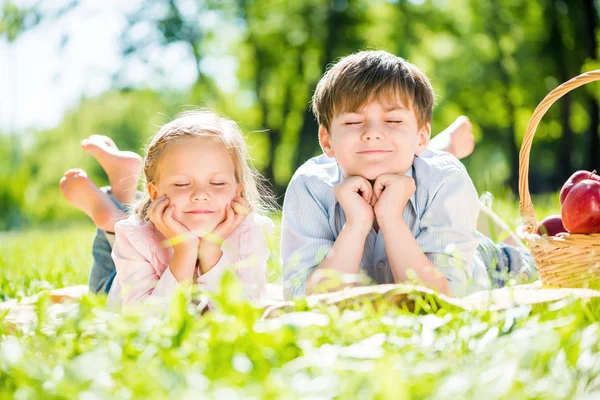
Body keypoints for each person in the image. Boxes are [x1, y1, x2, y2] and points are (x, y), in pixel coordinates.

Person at [280, 50, 533, 300]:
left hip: (491, 267)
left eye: (393, 121)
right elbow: (303, 300)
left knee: (534, 267)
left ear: (422, 137)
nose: (373, 133)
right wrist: (356, 224)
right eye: (352, 122)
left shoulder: (445, 179)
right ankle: (439, 147)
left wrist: (390, 219)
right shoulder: (309, 186)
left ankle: (439, 152)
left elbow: (442, 300)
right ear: (327, 140)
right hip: (424, 182)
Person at [60, 110, 275, 306]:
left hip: (133, 239)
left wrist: (211, 251)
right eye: (182, 184)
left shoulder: (250, 232)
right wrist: (184, 251)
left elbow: (244, 314)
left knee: (119, 224)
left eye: (217, 183)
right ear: (154, 194)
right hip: (115, 291)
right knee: (100, 291)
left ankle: (119, 193)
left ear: (237, 192)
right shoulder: (135, 235)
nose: (200, 195)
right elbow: (144, 322)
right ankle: (110, 217)